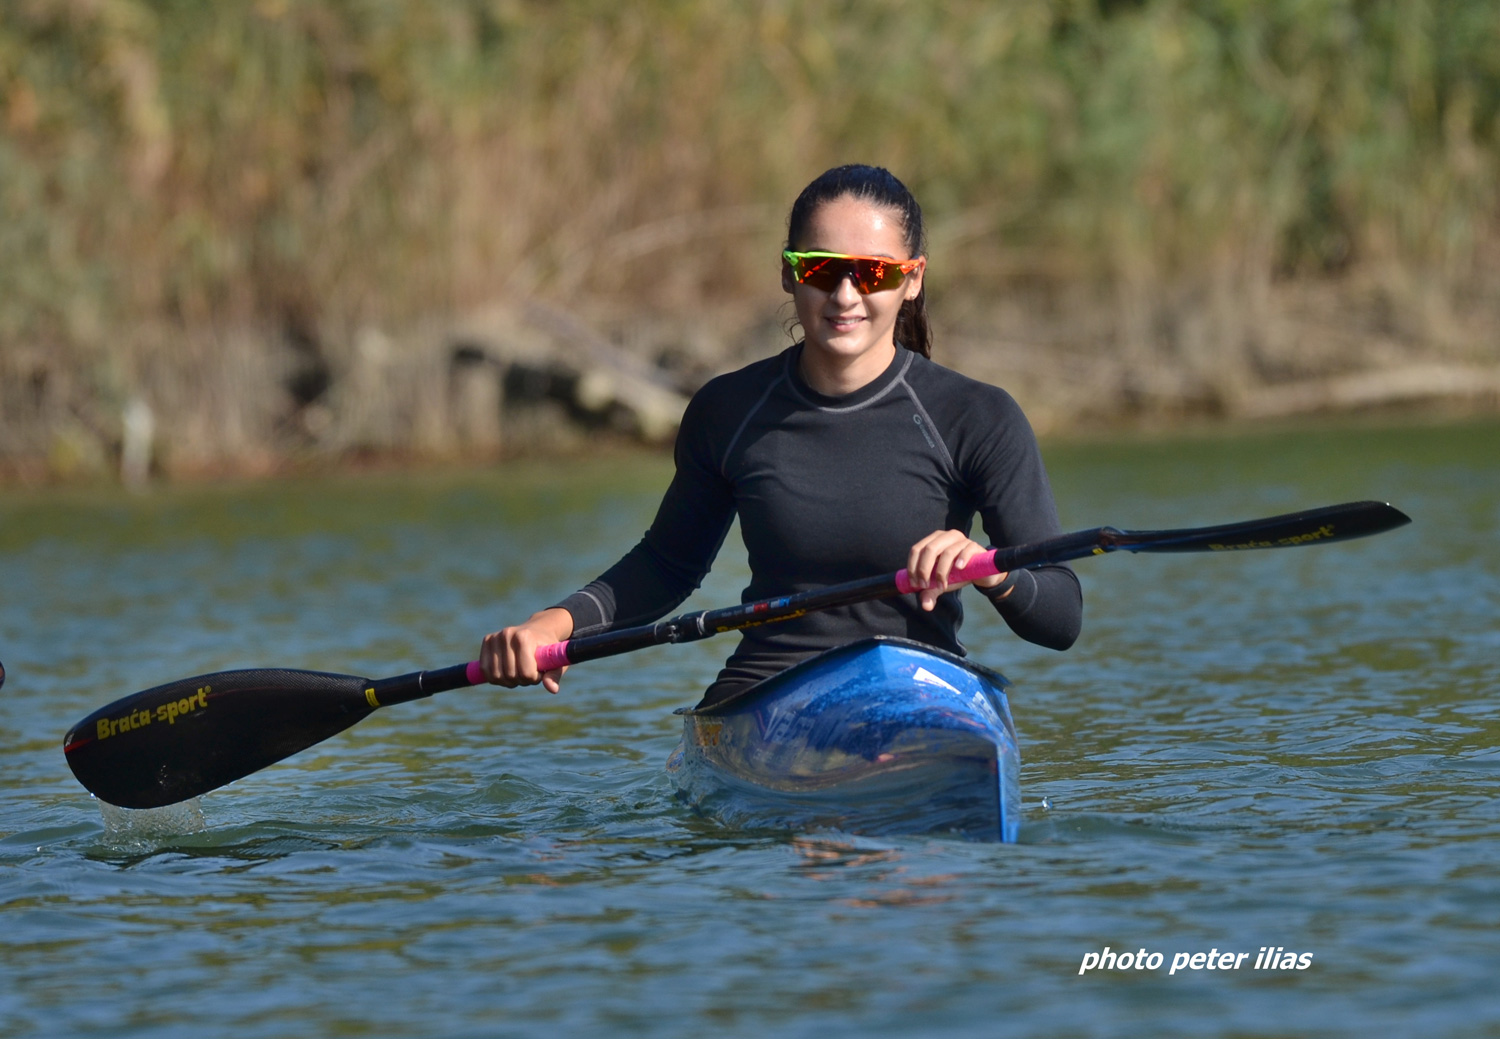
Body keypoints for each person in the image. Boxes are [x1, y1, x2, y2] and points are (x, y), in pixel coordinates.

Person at [480, 164, 1081, 703]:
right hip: (769, 698)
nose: (844, 295)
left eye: (873, 273)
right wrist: (550, 625)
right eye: (819, 268)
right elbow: (666, 566)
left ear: (913, 278)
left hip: (921, 696)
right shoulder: (730, 410)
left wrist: (994, 573)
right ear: (789, 274)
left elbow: (1062, 617)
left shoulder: (978, 416)